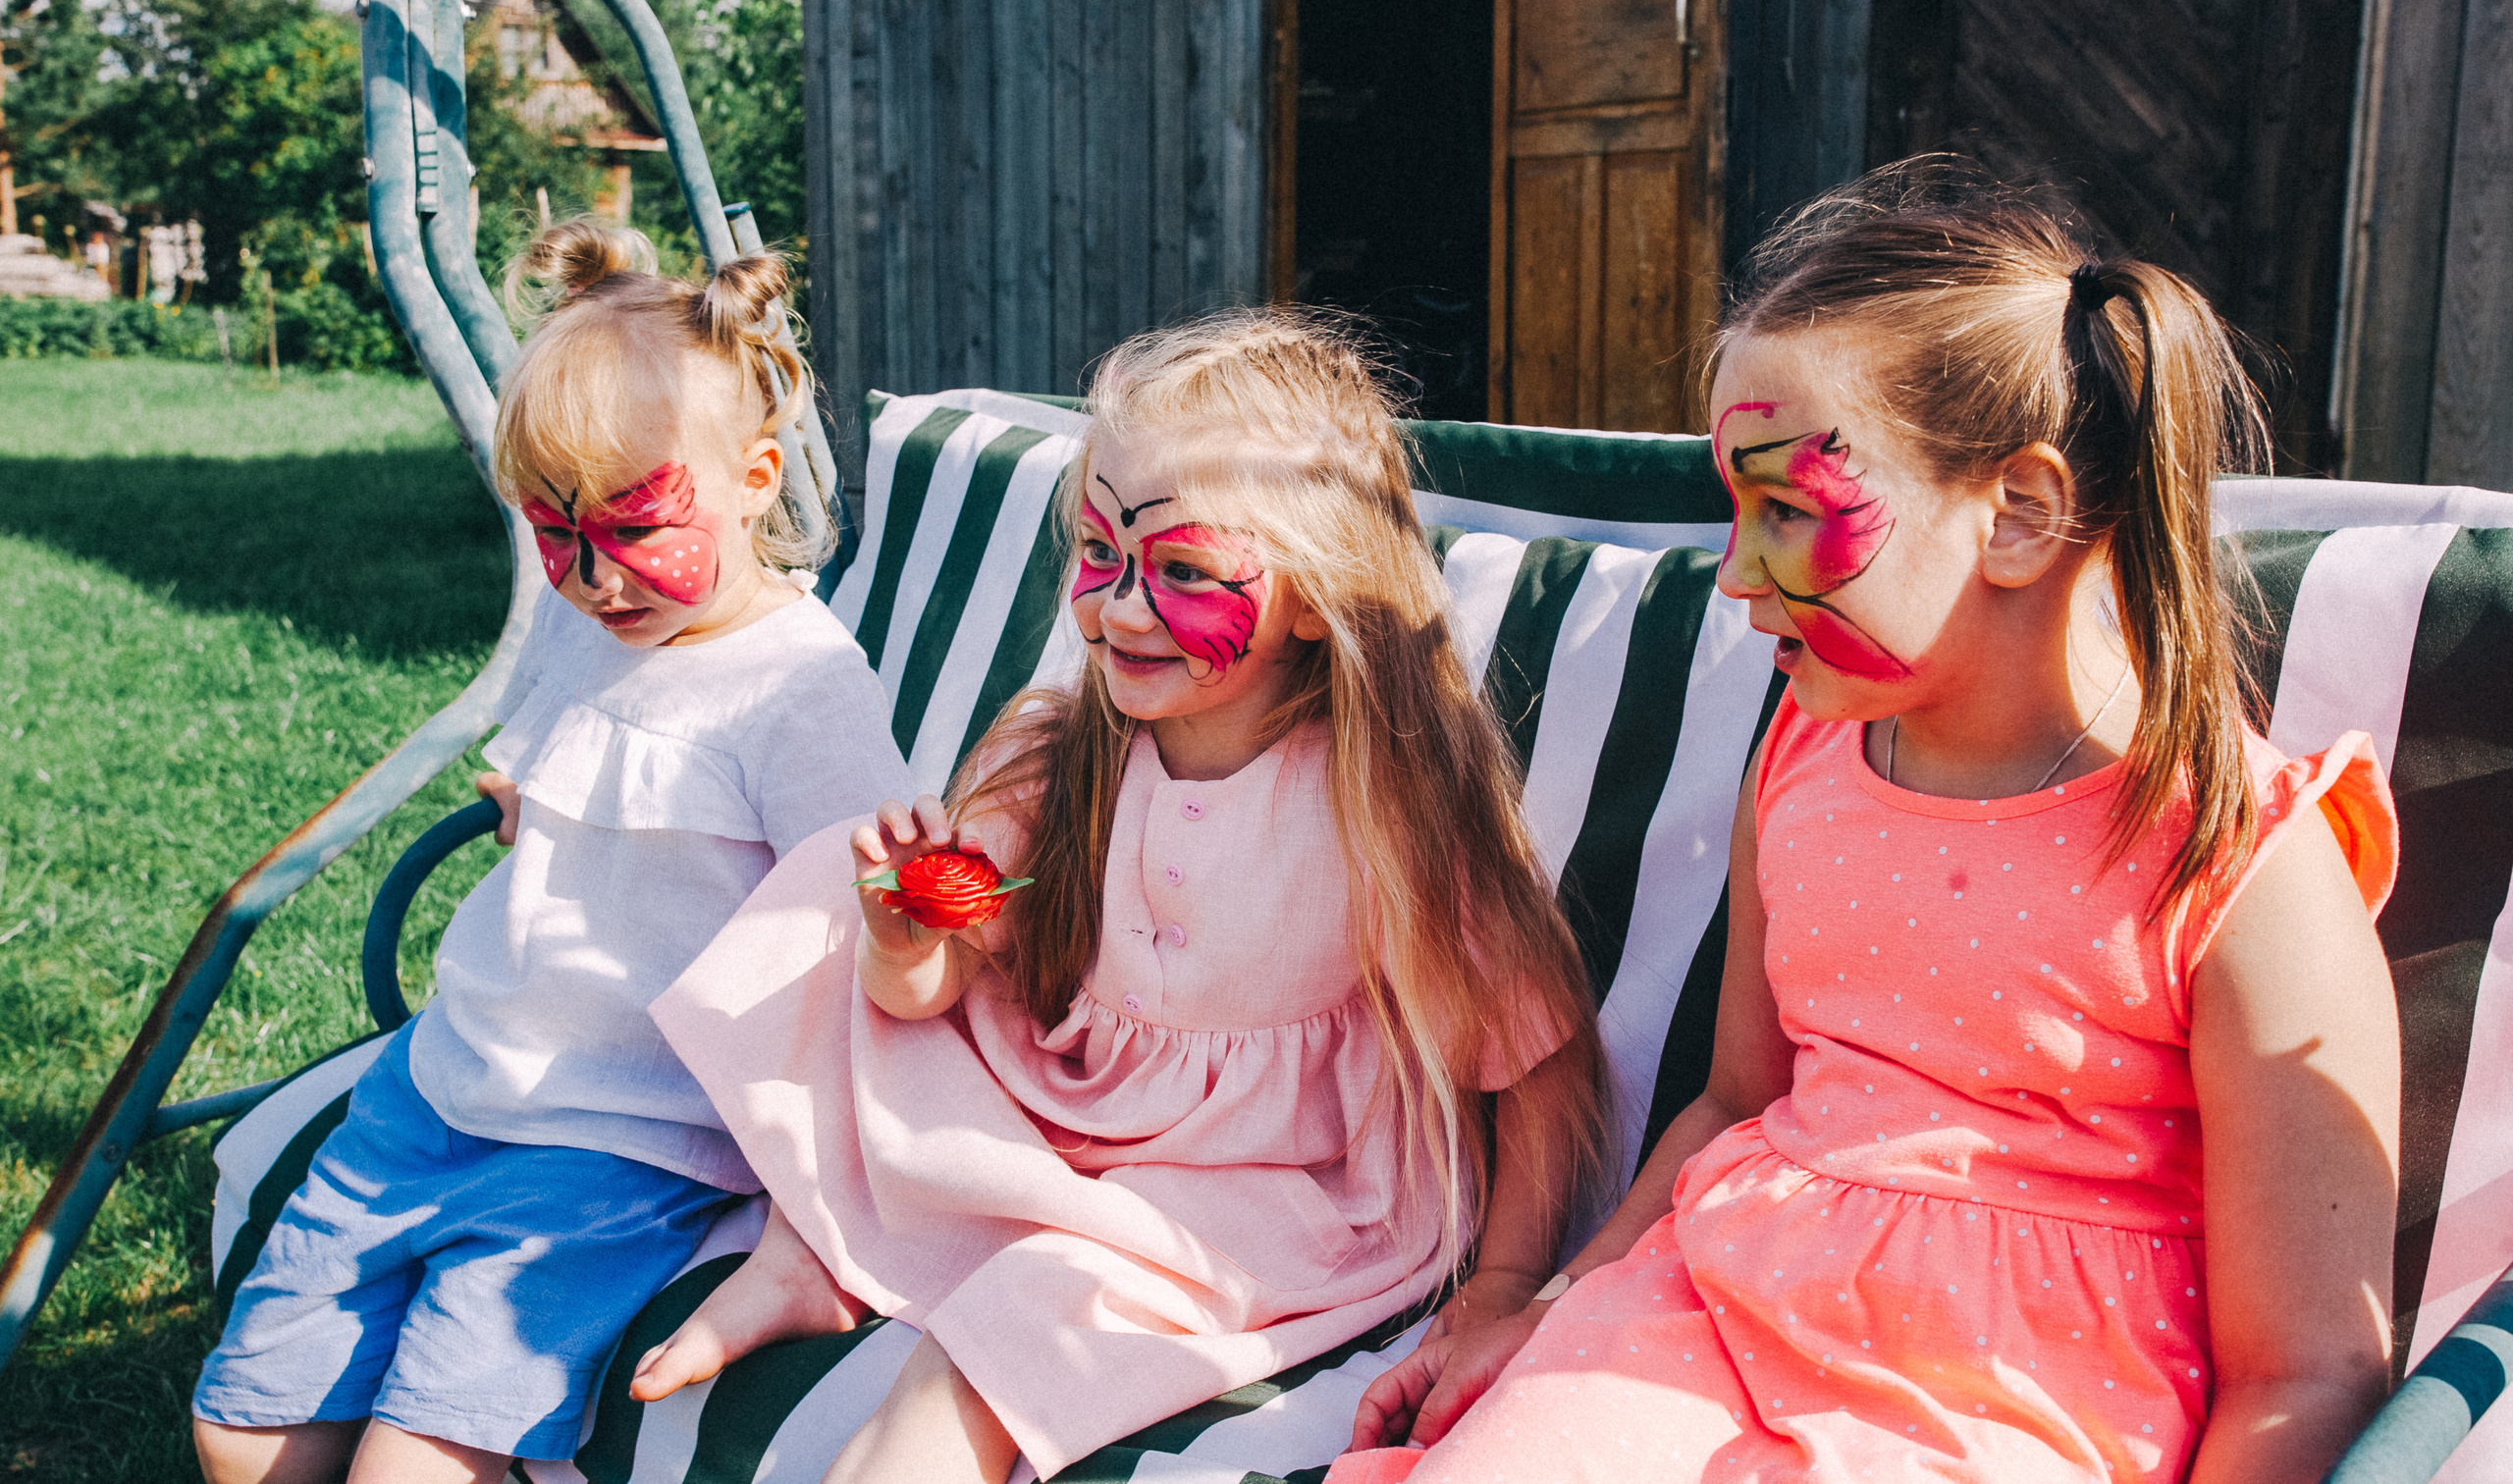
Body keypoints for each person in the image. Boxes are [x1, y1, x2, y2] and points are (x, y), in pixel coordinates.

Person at [1329, 165, 2403, 1484]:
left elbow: (2311, 1366)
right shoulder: (1806, 755)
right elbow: (1737, 1096)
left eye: (1784, 509)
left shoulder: (2240, 857)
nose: (1732, 571)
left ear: (2018, 510)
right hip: (1706, 1318)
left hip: (2008, 1396)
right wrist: (1544, 1308)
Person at [637, 312, 1610, 1483]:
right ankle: (810, 1256)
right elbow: (936, 991)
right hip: (1066, 1106)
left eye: (1184, 570)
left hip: (1260, 1191)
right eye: (1101, 556)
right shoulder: (1060, 756)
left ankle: (869, 1295)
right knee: (828, 898)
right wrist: (903, 942)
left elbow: (1538, 1057)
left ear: (1316, 594)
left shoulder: (1384, 810)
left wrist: (1504, 1284)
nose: (1122, 608)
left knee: (1020, 1321)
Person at [191, 222, 914, 1484]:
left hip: (613, 1146)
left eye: (636, 524)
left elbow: (864, 933)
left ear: (754, 478)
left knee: (414, 1469)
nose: (595, 575)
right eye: (554, 532)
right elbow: (549, 775)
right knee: (240, 1437)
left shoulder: (799, 693)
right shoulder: (597, 617)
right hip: (437, 1088)